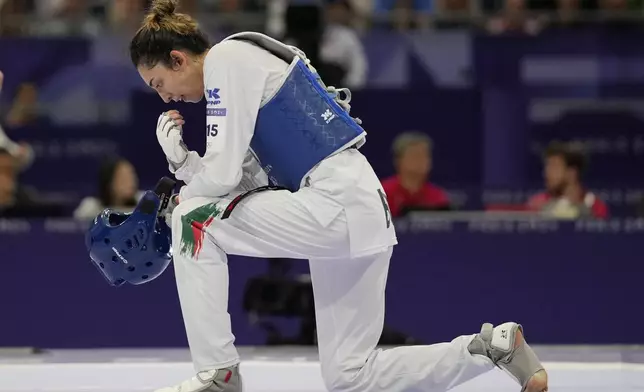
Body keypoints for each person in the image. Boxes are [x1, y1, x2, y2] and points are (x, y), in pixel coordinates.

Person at [97, 0, 550, 391]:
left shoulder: (227, 59)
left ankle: (218, 372)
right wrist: (185, 168)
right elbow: (243, 188)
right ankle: (491, 348)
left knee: (192, 218)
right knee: (351, 376)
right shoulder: (244, 65)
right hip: (357, 211)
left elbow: (215, 185)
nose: (163, 97)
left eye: (158, 83)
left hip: (335, 203)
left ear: (178, 59)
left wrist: (181, 175)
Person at [527, 141, 608, 220]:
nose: (546, 173)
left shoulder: (596, 208)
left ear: (572, 173)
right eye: (547, 167)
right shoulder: (537, 204)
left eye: (554, 167)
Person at [381, 132, 450, 217]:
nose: (422, 160)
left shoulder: (437, 196)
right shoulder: (383, 192)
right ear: (399, 161)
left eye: (425, 155)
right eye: (415, 155)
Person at [73, 157, 142, 220]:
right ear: (109, 182)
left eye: (132, 177)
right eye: (123, 178)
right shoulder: (90, 207)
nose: (131, 183)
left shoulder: (144, 203)